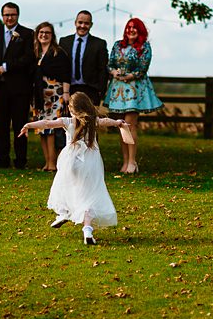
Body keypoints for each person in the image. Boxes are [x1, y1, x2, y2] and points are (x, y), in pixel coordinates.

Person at [19, 92, 131, 246]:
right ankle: (87, 229)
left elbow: (46, 123)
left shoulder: (67, 121)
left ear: (72, 109)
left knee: (65, 186)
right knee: (89, 195)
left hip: (71, 161)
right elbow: (108, 122)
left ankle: (64, 213)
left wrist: (29, 125)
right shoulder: (94, 122)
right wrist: (119, 122)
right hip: (91, 162)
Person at [106, 18, 162, 174]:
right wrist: (113, 72)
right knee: (121, 125)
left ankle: (132, 161)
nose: (131, 30)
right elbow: (110, 63)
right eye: (128, 27)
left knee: (130, 125)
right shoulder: (118, 45)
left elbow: (143, 68)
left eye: (135, 28)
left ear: (140, 30)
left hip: (135, 89)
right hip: (118, 90)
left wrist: (130, 76)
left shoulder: (144, 47)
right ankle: (125, 162)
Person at [0, 2, 34, 168]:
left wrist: (7, 66)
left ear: (17, 15)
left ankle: (20, 160)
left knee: (20, 126)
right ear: (2, 16)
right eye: (6, 15)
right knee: (0, 126)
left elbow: (28, 58)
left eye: (12, 15)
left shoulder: (27, 34)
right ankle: (2, 159)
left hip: (20, 89)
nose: (9, 18)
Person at [31, 22, 71, 172]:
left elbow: (67, 74)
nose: (44, 35)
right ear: (37, 34)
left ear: (52, 35)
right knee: (41, 129)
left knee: (52, 130)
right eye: (41, 32)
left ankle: (54, 163)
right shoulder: (35, 52)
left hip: (55, 95)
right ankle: (47, 162)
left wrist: (66, 94)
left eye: (47, 32)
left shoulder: (58, 52)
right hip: (39, 96)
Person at [59, 10, 109, 105]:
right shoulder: (64, 42)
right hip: (69, 90)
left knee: (89, 119)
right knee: (69, 120)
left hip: (91, 90)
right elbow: (60, 67)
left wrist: (100, 91)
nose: (82, 26)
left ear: (91, 25)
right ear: (75, 23)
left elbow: (103, 69)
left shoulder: (99, 44)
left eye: (86, 23)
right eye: (80, 22)